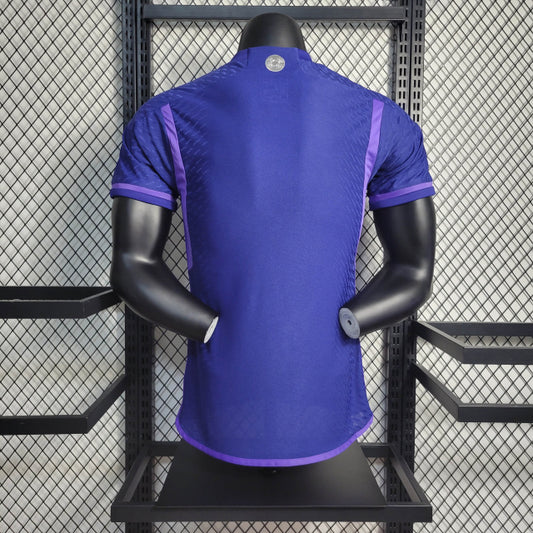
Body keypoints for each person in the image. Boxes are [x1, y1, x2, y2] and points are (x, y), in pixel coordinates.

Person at [110, 13, 436, 467]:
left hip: (236, 396)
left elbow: (133, 266)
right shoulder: (383, 118)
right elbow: (414, 271)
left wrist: (207, 326)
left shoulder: (164, 115)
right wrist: (353, 320)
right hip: (306, 394)